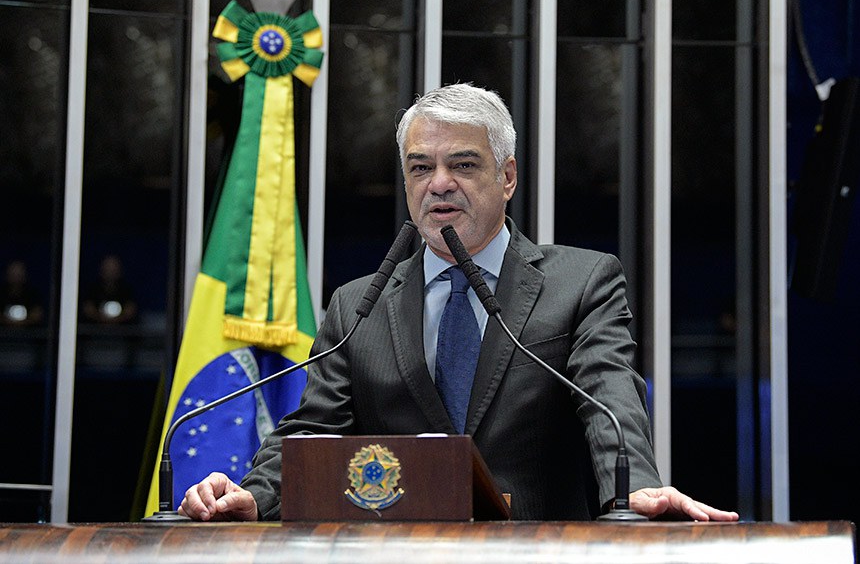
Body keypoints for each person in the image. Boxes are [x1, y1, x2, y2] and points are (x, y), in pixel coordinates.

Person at [178, 83, 739, 522]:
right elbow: (312, 432)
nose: (439, 184)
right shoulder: (357, 308)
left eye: (463, 165)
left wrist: (635, 487)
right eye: (421, 167)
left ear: (508, 176)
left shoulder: (582, 282)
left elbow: (609, 400)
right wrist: (253, 496)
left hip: (539, 550)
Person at [81, 254, 138, 324]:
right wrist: (102, 319)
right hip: (96, 331)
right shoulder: (93, 289)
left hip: (122, 332)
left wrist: (115, 321)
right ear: (102, 270)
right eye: (108, 269)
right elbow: (88, 309)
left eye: (113, 269)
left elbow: (130, 311)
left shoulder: (127, 290)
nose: (110, 272)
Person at [0, 260, 44, 326]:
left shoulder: (32, 294)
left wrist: (22, 323)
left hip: (29, 334)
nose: (16, 277)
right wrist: (8, 322)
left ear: (24, 275)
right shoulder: (1, 293)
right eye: (13, 274)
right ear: (7, 274)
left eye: (19, 274)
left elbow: (37, 314)